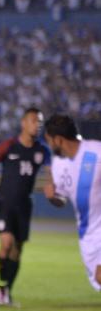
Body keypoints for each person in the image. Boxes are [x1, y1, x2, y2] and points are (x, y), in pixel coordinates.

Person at [0, 107, 51, 305]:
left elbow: (51, 172)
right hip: (4, 202)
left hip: (24, 205)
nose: (37, 125)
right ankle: (1, 286)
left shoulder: (42, 150)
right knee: (6, 244)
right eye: (34, 121)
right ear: (24, 123)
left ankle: (7, 291)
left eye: (40, 122)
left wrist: (51, 185)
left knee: (17, 251)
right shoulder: (9, 146)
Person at [43, 114, 101, 292]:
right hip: (88, 234)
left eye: (49, 140)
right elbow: (62, 199)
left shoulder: (96, 152)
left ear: (58, 140)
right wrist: (53, 197)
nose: (49, 145)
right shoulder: (58, 164)